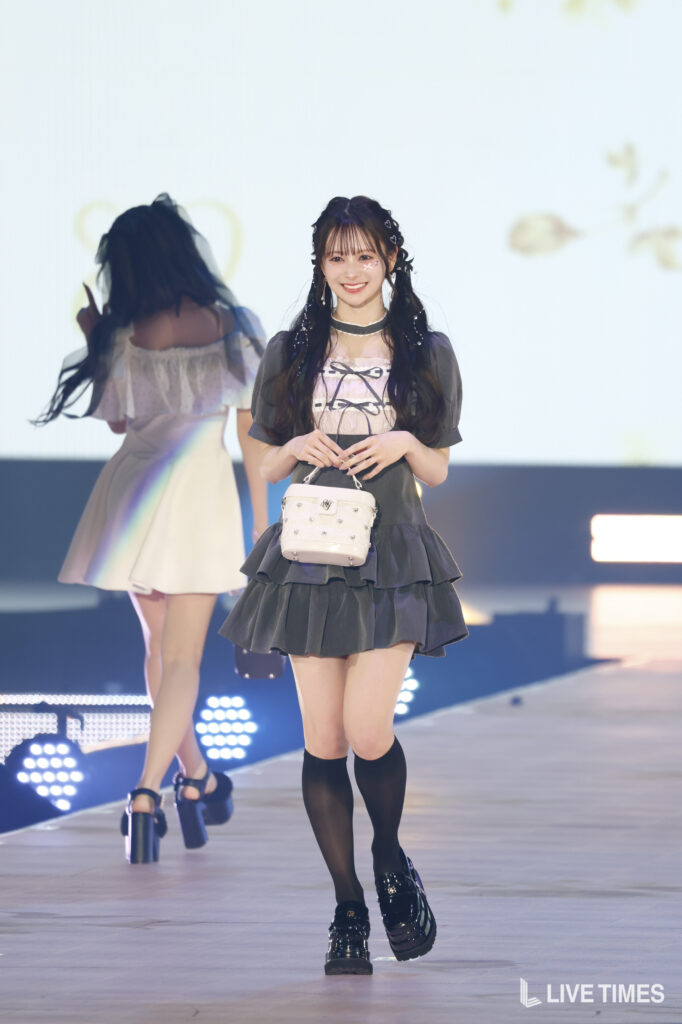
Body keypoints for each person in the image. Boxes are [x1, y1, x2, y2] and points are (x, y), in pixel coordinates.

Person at [219, 195, 468, 973]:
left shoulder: (427, 349)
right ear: (320, 263)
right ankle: (348, 910)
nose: (351, 271)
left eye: (365, 255)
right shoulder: (292, 351)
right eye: (337, 256)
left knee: (367, 730)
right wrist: (294, 440)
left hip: (390, 553)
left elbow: (437, 466)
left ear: (390, 259)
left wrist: (399, 438)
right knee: (323, 741)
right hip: (309, 556)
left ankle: (392, 860)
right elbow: (261, 463)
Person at [35, 194, 267, 863]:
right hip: (196, 496)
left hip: (133, 491)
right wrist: (261, 529)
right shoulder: (231, 325)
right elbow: (253, 440)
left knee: (159, 651)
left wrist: (94, 336)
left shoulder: (123, 330)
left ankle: (197, 780)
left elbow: (117, 422)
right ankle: (145, 794)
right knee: (182, 661)